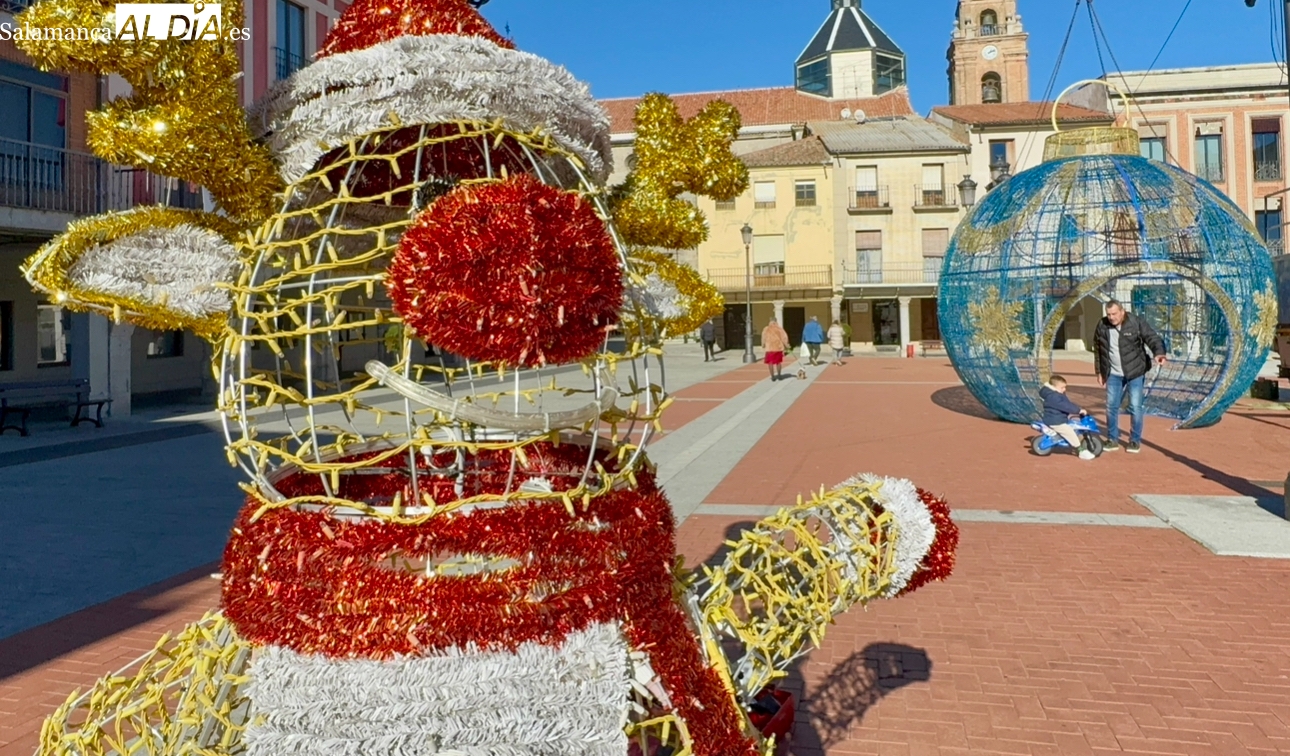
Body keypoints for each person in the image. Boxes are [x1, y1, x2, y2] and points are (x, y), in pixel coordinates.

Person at [1094, 300, 1167, 454]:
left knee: (1135, 406)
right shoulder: (1102, 325)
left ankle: (1134, 440)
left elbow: (1152, 338)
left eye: (1114, 314)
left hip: (1135, 371)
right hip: (1113, 373)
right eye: (1108, 314)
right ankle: (1112, 439)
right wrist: (1099, 371)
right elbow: (1098, 349)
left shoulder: (1135, 322)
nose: (1111, 317)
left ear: (1122, 311)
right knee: (1111, 407)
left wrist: (1159, 353)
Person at [1039, 375, 1095, 461]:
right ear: (1054, 387)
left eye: (1065, 387)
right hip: (1055, 421)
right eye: (1062, 387)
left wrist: (1077, 409)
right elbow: (1065, 406)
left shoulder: (1056, 393)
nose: (1064, 389)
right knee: (1069, 431)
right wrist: (1078, 410)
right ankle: (1080, 450)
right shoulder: (1053, 397)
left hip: (1059, 418)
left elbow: (1067, 404)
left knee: (1073, 424)